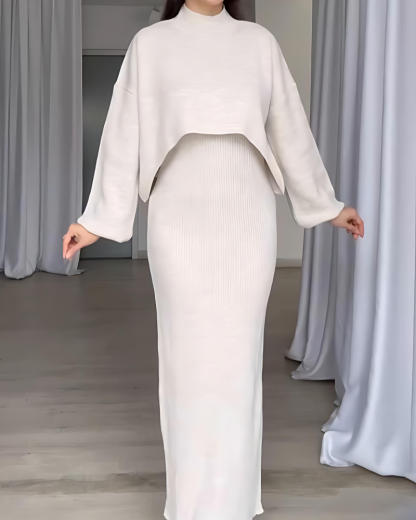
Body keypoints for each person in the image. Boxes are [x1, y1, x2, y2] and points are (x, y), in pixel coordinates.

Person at [63, 1, 364, 519]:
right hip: (177, 218)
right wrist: (96, 220)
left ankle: (235, 502)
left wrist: (328, 206)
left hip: (247, 218)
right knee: (187, 363)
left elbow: (291, 131)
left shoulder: (258, 44)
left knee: (238, 363)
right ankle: (190, 505)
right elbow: (122, 135)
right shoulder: (150, 45)